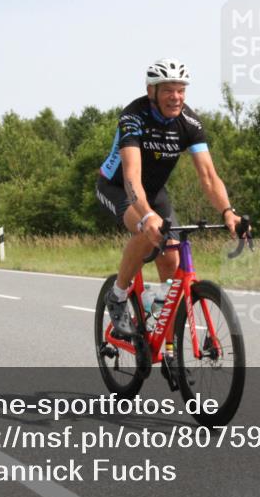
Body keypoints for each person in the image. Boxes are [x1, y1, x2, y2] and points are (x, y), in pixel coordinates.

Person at [95, 58, 246, 338]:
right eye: (168, 90)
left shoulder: (189, 123)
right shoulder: (133, 117)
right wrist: (147, 215)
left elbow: (208, 176)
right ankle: (117, 295)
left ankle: (165, 342)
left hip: (155, 192)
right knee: (146, 230)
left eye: (181, 90)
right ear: (151, 91)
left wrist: (227, 211)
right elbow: (131, 176)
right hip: (117, 187)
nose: (176, 97)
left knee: (171, 259)